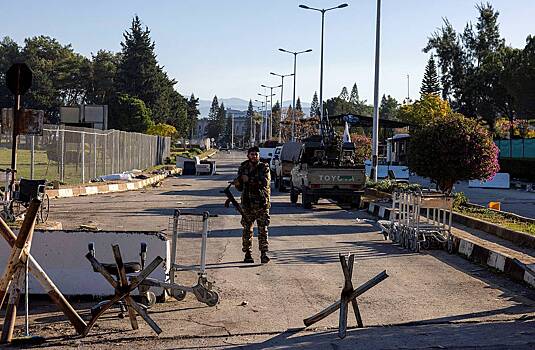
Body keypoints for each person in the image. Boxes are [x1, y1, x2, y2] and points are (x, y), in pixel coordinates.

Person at [234, 146, 271, 264]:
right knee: (247, 229)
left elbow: (264, 183)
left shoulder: (264, 167)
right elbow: (240, 187)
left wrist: (248, 179)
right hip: (247, 204)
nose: (254, 156)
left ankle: (264, 253)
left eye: (256, 154)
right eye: (252, 154)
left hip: (261, 203)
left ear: (259, 156)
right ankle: (247, 253)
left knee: (263, 229)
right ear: (248, 155)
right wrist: (238, 182)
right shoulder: (243, 167)